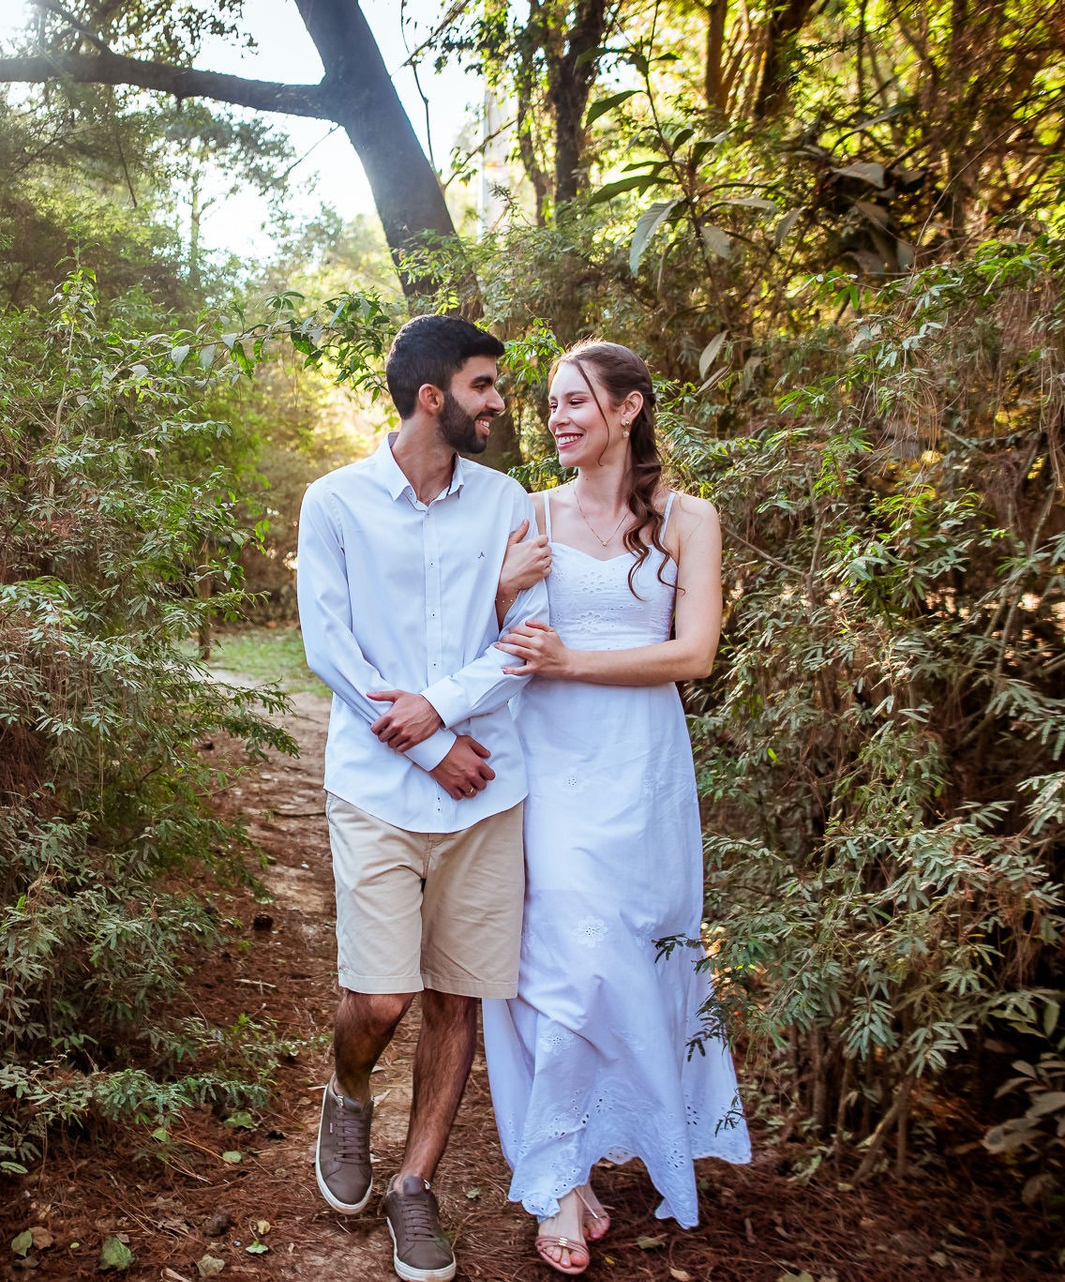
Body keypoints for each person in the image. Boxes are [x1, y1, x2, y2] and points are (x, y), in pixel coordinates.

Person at [483, 340, 751, 1274]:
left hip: (641, 768)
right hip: (545, 763)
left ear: (628, 408)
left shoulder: (688, 518)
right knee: (561, 959)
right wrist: (501, 591)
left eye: (575, 402)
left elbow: (695, 654)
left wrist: (575, 661)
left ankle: (587, 1152)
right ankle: (557, 1179)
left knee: (628, 955)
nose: (555, 418)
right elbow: (483, 634)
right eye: (551, 404)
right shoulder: (526, 513)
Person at [296, 315, 549, 1282]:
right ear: (433, 396)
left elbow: (526, 642)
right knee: (381, 995)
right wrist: (432, 745)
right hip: (378, 788)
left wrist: (442, 713)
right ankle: (348, 1087)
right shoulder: (335, 501)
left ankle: (415, 1185)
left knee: (454, 996)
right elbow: (331, 648)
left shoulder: (508, 503)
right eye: (484, 386)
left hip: (488, 792)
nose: (499, 403)